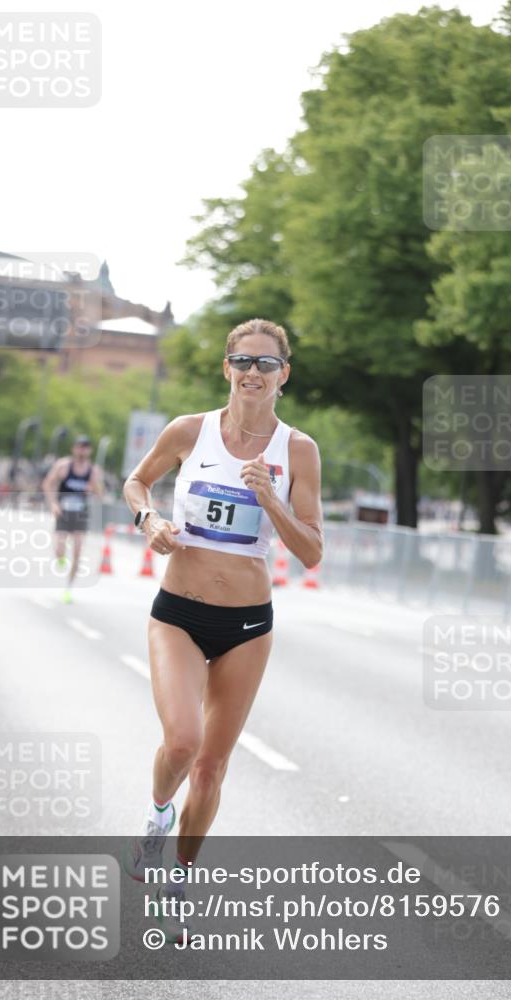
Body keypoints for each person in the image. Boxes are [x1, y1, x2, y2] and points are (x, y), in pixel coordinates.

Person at [121, 318, 323, 943]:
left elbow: (311, 551)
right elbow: (136, 481)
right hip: (178, 611)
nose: (252, 373)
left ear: (283, 374)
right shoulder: (190, 430)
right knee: (181, 742)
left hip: (246, 625)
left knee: (210, 767)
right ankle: (157, 819)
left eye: (266, 363)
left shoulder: (298, 450)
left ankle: (178, 880)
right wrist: (148, 518)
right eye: (242, 360)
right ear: (227, 368)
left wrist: (272, 501)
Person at [41, 435, 103, 603]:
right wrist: (53, 504)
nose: (82, 450)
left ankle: (68, 588)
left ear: (89, 450)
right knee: (60, 547)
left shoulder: (93, 470)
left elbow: (100, 494)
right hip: (63, 511)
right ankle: (61, 558)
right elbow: (47, 484)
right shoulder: (63, 466)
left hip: (80, 514)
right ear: (73, 449)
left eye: (86, 447)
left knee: (77, 551)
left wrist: (93, 488)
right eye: (79, 447)